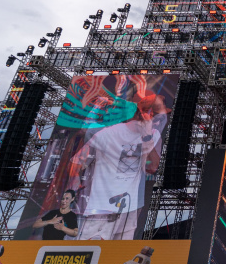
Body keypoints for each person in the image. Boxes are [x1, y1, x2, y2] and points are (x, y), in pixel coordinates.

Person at [71, 90, 166, 240]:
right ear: (140, 113)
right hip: (102, 209)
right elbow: (84, 135)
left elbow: (153, 167)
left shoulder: (152, 134)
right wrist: (98, 104)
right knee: (91, 255)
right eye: (150, 114)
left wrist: (147, 136)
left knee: (117, 259)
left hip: (129, 210)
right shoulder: (108, 134)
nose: (154, 120)